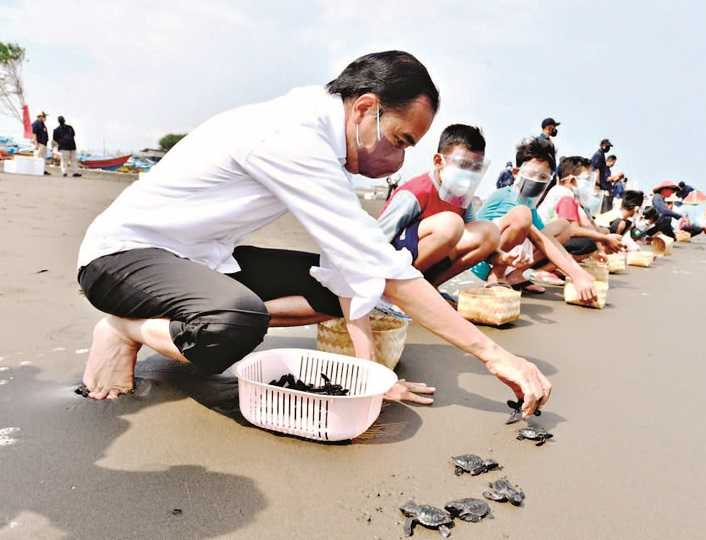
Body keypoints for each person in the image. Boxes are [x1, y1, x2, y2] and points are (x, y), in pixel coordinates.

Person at [76, 51, 550, 417]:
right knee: (236, 323)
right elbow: (383, 268)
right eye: (401, 140)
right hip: (120, 258)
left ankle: (193, 323)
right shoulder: (292, 136)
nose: (399, 158)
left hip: (201, 257)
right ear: (366, 108)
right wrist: (493, 355)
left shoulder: (325, 139)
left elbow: (349, 267)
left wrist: (373, 374)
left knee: (327, 293)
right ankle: (123, 327)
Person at [470, 138, 597, 301]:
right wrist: (575, 273)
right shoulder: (504, 195)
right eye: (531, 174)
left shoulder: (530, 204)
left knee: (563, 227)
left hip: (512, 258)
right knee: (522, 216)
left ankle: (515, 276)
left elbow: (547, 240)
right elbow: (537, 237)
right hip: (484, 260)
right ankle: (496, 276)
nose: (536, 180)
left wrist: (576, 272)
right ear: (516, 173)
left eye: (542, 177)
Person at [377, 124, 503, 287]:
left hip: (424, 263)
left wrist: (499, 256)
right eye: (463, 165)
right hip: (394, 263)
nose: (469, 174)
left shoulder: (462, 197)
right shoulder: (416, 192)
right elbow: (380, 236)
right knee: (451, 224)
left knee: (489, 232)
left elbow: (474, 234)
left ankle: (429, 287)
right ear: (438, 161)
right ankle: (397, 288)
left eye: (476, 168)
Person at [538, 155, 624, 257]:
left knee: (597, 235)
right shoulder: (565, 195)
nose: (589, 184)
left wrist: (602, 239)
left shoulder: (563, 192)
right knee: (588, 243)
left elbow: (587, 223)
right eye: (586, 179)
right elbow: (573, 230)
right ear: (570, 180)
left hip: (546, 239)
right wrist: (604, 239)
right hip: (543, 243)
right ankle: (546, 269)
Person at [590, 138, 613, 213]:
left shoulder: (602, 155)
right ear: (603, 145)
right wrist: (597, 184)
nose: (608, 148)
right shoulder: (598, 154)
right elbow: (595, 169)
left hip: (599, 185)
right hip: (596, 185)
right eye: (607, 146)